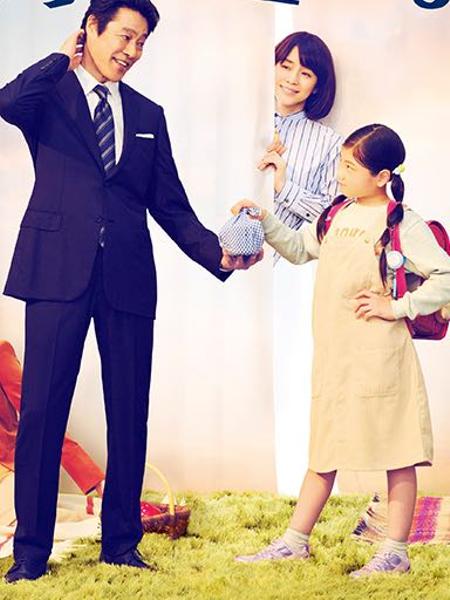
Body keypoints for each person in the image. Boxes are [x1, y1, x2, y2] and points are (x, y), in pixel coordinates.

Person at [0, 0, 260, 583]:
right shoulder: (50, 94)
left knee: (129, 410)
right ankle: (31, 554)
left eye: (142, 41)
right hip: (55, 270)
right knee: (41, 410)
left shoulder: (147, 114)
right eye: (123, 36)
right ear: (89, 28)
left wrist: (217, 254)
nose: (132, 51)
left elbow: (169, 203)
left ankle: (121, 542)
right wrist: (62, 59)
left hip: (127, 275)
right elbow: (7, 103)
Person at [232, 124, 450, 577]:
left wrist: (397, 307)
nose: (339, 174)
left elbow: (446, 275)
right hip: (335, 356)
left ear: (382, 176)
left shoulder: (401, 222)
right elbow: (297, 249)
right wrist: (264, 219)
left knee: (398, 452)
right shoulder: (336, 214)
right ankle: (295, 542)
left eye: (350, 167)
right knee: (324, 449)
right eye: (340, 163)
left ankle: (395, 552)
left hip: (382, 359)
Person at [259, 31, 342, 249]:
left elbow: (334, 218)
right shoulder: (243, 120)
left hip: (277, 259)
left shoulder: (329, 143)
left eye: (305, 74)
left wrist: (284, 187)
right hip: (213, 250)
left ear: (317, 86)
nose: (292, 79)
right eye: (286, 66)